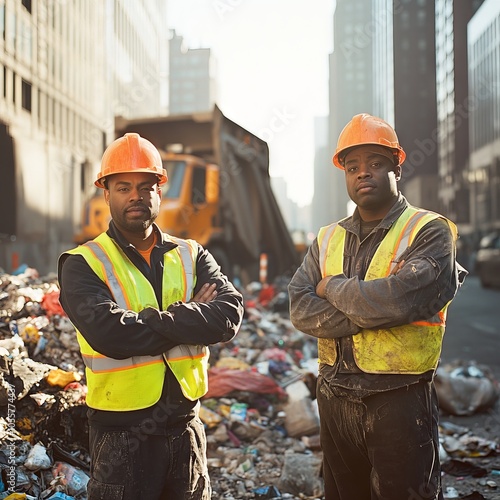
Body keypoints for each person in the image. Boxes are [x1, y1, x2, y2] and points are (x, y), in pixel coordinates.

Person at [288, 114, 466, 500]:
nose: (362, 173)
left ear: (396, 167)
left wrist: (331, 286)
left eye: (375, 163)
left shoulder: (429, 230)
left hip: (398, 400)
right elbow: (301, 307)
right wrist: (373, 307)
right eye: (352, 167)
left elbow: (402, 301)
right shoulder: (326, 238)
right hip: (334, 397)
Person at [58, 132, 244, 500]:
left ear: (159, 191)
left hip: (185, 428)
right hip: (121, 437)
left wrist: (147, 320)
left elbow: (228, 315)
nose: (136, 196)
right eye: (123, 187)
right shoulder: (82, 264)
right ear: (106, 193)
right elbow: (110, 335)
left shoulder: (192, 253)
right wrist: (189, 316)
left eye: (146, 186)